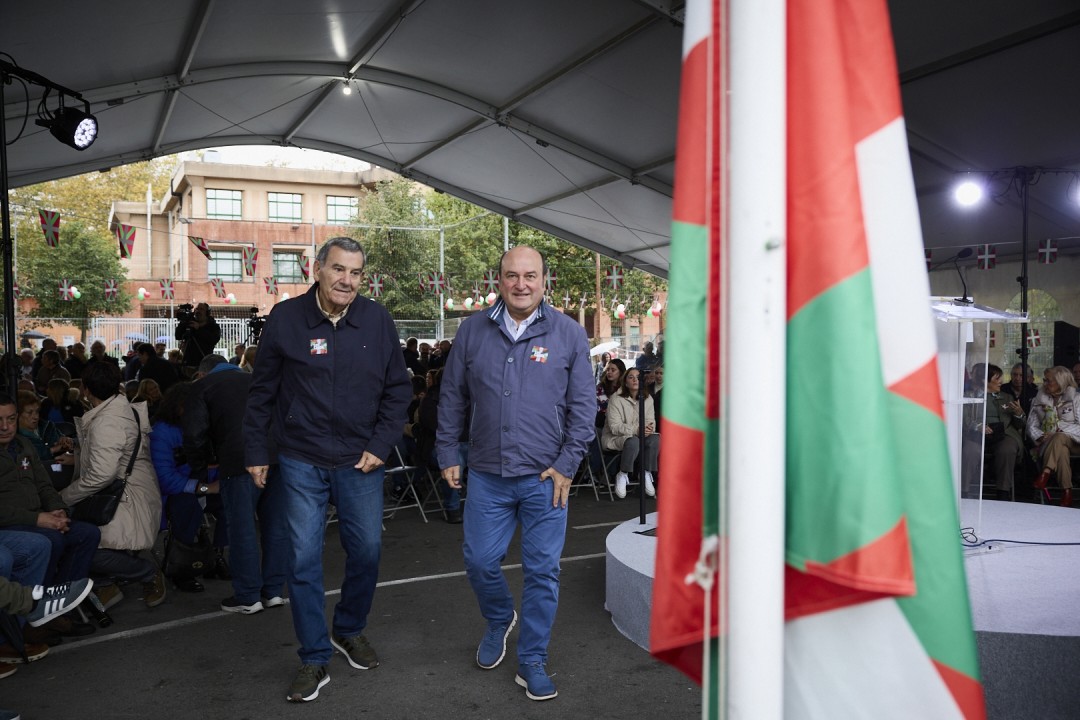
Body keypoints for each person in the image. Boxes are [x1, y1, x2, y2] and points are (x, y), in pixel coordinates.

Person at [244, 236, 411, 703]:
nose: (347, 280)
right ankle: (314, 656)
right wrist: (256, 450)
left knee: (368, 552)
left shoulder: (377, 320)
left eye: (356, 273)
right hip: (301, 457)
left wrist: (381, 444)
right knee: (302, 560)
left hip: (361, 460)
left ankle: (349, 629)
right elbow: (262, 392)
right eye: (338, 269)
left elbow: (398, 390)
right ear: (317, 270)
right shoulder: (285, 319)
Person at [436, 246, 594, 702]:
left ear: (544, 281)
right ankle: (500, 617)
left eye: (530, 275)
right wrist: (447, 450)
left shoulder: (568, 333)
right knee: (480, 561)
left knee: (543, 572)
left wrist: (567, 464)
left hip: (547, 478)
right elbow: (452, 396)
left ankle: (533, 659)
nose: (521, 284)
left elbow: (584, 407)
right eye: (512, 275)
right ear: (499, 280)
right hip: (488, 474)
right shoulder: (472, 330)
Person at [187, 354, 288, 616]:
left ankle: (248, 595)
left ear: (201, 373)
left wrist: (199, 469)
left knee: (242, 530)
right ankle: (273, 591)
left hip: (239, 461)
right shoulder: (255, 378)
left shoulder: (201, 387)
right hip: (278, 456)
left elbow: (195, 435)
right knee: (276, 527)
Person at [60, 362, 165, 609]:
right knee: (85, 540)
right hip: (130, 491)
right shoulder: (118, 409)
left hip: (125, 498)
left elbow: (101, 475)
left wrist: (62, 497)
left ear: (86, 389)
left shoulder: (107, 421)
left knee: (85, 546)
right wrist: (78, 456)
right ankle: (108, 583)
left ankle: (147, 573)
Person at [0, 393, 99, 638]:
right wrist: (39, 519)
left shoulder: (24, 445)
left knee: (87, 534)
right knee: (50, 539)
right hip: (12, 524)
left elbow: (44, 485)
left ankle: (57, 610)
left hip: (37, 517)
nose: (5, 426)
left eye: (11, 419)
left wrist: (57, 510)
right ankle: (30, 616)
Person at [149, 382, 223, 594]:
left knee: (233, 500)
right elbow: (165, 479)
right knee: (187, 507)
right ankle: (182, 567)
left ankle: (214, 556)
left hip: (200, 484)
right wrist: (205, 488)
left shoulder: (203, 426)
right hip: (174, 492)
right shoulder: (161, 432)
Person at [961, 364, 1024, 500]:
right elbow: (963, 418)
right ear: (985, 380)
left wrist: (1019, 413)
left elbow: (1019, 425)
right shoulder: (970, 396)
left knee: (1008, 449)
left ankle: (1003, 492)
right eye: (997, 378)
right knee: (970, 451)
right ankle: (963, 491)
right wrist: (977, 426)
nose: (1001, 381)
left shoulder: (1007, 397)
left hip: (1003, 434)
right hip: (977, 434)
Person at [1027, 365, 1080, 507]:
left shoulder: (1076, 398)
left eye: (1048, 380)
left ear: (1061, 381)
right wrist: (1040, 436)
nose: (1044, 383)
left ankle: (1045, 472)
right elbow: (1031, 425)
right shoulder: (1039, 399)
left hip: (1076, 443)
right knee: (1061, 448)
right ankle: (1067, 491)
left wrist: (1058, 428)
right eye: (1044, 380)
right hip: (1050, 443)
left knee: (1059, 436)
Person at [601, 368, 659, 498]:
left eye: (638, 377)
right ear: (625, 382)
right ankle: (623, 473)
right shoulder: (616, 399)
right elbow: (615, 427)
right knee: (633, 441)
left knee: (655, 439)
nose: (635, 380)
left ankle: (645, 472)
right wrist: (637, 430)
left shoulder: (648, 399)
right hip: (615, 438)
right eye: (631, 377)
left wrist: (649, 429)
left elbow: (651, 421)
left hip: (639, 436)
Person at [176, 302, 221, 376]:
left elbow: (213, 340)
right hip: (188, 363)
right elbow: (178, 336)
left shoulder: (213, 326)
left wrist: (199, 329)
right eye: (196, 309)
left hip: (204, 363)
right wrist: (184, 322)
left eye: (201, 309)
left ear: (207, 312)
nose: (198, 311)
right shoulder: (190, 323)